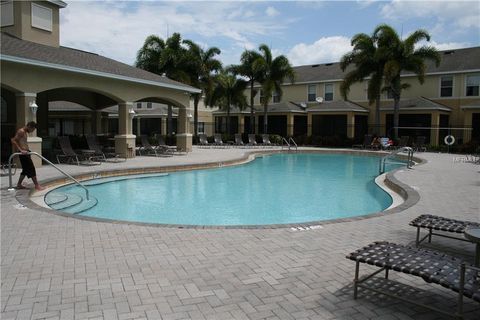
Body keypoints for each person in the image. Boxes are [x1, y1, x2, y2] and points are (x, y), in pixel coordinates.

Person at [11, 121, 45, 190]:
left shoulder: (25, 132)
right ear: (29, 126)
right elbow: (13, 140)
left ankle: (19, 184)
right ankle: (37, 185)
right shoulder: (21, 131)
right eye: (32, 130)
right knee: (31, 168)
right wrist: (20, 150)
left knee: (25, 170)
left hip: (26, 153)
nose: (32, 131)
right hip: (23, 154)